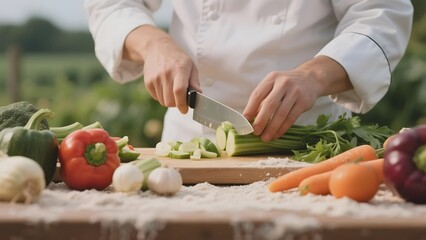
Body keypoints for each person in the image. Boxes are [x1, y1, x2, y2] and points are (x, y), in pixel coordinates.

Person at [84, 0, 413, 143]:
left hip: (308, 144)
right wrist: (153, 44)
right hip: (190, 144)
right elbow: (112, 4)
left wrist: (315, 75)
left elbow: (381, 13)